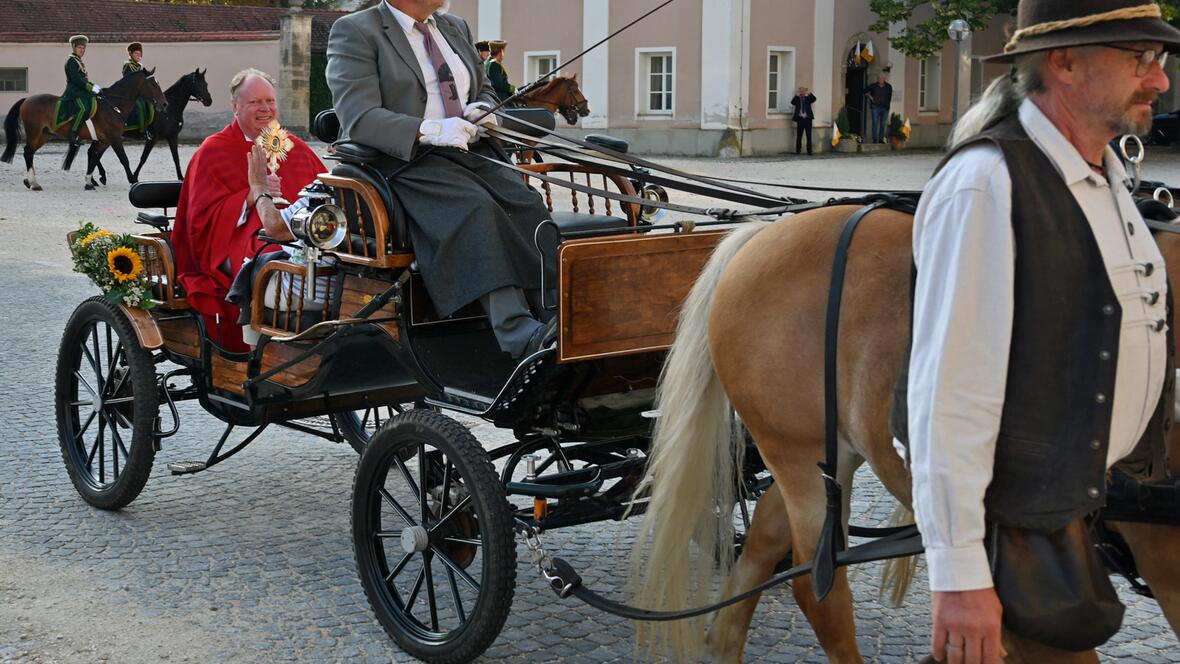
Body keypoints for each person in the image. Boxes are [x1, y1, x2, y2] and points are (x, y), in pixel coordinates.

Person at [892, 1, 1180, 662]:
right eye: (1141, 60)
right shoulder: (988, 183)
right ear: (1065, 62)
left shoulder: (1102, 173)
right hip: (1014, 530)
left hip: (1074, 505)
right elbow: (947, 400)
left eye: (1159, 61)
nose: (1159, 81)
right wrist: (961, 579)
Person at [326, 0, 556, 360]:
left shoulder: (454, 27)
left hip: (468, 150)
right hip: (404, 160)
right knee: (474, 209)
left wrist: (482, 109)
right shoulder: (357, 30)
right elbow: (359, 116)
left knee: (526, 204)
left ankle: (555, 313)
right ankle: (516, 331)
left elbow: (483, 90)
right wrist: (429, 129)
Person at [171, 69, 327, 353]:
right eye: (255, 102)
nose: (265, 109)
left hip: (298, 241)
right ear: (236, 107)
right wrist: (252, 196)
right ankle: (265, 342)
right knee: (266, 247)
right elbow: (201, 220)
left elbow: (325, 195)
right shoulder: (212, 151)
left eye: (269, 101)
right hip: (230, 243)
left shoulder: (295, 147)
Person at [62, 35, 99, 148]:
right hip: (74, 91)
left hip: (81, 90)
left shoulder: (79, 61)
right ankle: (73, 133)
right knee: (84, 108)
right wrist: (90, 88)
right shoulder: (71, 61)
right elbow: (77, 80)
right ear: (73, 47)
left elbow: (84, 79)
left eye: (83, 48)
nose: (82, 50)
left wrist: (95, 87)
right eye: (79, 47)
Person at [122, 42, 153, 141]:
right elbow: (127, 80)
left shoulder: (140, 66)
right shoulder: (128, 66)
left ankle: (150, 128)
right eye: (136, 53)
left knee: (151, 104)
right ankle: (142, 130)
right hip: (130, 93)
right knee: (140, 106)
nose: (138, 56)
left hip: (140, 93)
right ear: (131, 54)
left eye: (140, 54)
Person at [865, 72, 892, 143]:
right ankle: (874, 139)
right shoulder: (873, 86)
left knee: (883, 124)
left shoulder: (888, 87)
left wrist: (887, 106)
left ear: (884, 79)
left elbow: (889, 97)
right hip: (875, 107)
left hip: (885, 108)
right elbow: (864, 91)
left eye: (881, 78)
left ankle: (881, 139)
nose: (880, 79)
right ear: (877, 79)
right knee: (875, 123)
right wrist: (870, 97)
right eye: (879, 78)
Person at [789, 86, 816, 155]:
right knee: (799, 136)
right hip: (800, 119)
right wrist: (796, 96)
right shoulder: (797, 99)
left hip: (808, 119)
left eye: (803, 91)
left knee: (809, 135)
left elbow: (814, 99)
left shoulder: (808, 98)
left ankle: (809, 151)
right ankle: (798, 151)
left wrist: (809, 93)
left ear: (805, 91)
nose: (802, 92)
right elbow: (792, 102)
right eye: (801, 91)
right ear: (799, 92)